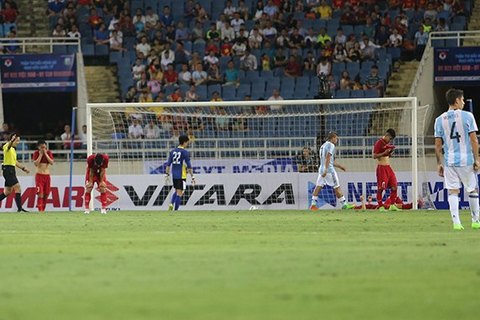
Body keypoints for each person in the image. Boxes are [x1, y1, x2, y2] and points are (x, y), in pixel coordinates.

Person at [434, 88, 480, 230]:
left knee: (453, 191)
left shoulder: (439, 120)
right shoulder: (468, 116)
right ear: (456, 101)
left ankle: (456, 223)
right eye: (462, 99)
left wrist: (438, 163)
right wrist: (477, 159)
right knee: (472, 190)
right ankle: (475, 221)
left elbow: (437, 145)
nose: (464, 102)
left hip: (449, 161)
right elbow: (474, 140)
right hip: (466, 160)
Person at [310, 132, 354, 210]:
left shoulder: (323, 146)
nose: (337, 140)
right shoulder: (331, 145)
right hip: (329, 171)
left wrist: (340, 166)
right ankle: (344, 204)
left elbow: (328, 160)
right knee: (337, 187)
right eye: (336, 138)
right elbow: (328, 157)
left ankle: (313, 205)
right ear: (333, 138)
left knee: (318, 186)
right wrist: (326, 170)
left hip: (321, 169)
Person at [164, 135, 196, 211]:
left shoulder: (172, 151)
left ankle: (171, 203)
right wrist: (192, 176)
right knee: (180, 193)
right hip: (182, 175)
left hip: (174, 175)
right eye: (187, 143)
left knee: (177, 190)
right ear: (184, 142)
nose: (187, 144)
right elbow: (189, 166)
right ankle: (176, 210)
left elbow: (168, 165)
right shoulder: (185, 152)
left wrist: (167, 175)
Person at [0, 133, 30, 212]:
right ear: (12, 140)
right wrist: (12, 140)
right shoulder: (7, 146)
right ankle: (20, 209)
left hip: (11, 170)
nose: (18, 142)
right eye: (17, 140)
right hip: (8, 170)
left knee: (7, 192)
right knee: (18, 187)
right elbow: (8, 146)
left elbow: (15, 162)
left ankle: (20, 209)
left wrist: (23, 168)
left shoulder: (13, 150)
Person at [373, 128, 401, 211]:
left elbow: (386, 155)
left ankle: (392, 205)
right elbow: (374, 156)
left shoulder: (386, 144)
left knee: (394, 186)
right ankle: (380, 206)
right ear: (387, 135)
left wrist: (389, 153)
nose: (390, 141)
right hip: (381, 168)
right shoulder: (379, 143)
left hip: (388, 167)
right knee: (381, 188)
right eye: (390, 139)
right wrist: (384, 153)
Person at [32, 140, 54, 212]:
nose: (43, 149)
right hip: (39, 175)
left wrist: (46, 154)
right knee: (40, 194)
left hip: (47, 176)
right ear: (38, 147)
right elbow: (36, 164)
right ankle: (40, 210)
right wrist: (41, 154)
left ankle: (43, 209)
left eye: (44, 147)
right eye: (42, 147)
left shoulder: (49, 153)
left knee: (46, 194)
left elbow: (51, 162)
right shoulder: (36, 153)